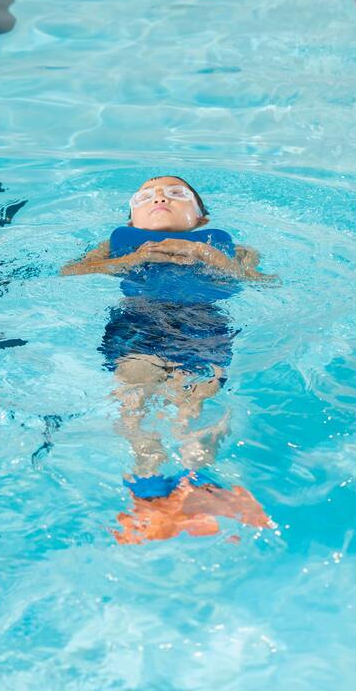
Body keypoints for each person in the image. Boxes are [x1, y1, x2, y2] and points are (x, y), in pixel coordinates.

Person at [62, 175, 275, 543]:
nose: (159, 198)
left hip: (203, 327)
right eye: (145, 197)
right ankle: (147, 483)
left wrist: (210, 258)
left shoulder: (234, 248)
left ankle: (200, 479)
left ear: (201, 218)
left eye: (176, 194)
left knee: (194, 400)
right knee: (134, 394)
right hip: (138, 323)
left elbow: (261, 281)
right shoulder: (116, 245)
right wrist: (135, 257)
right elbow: (71, 272)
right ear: (132, 222)